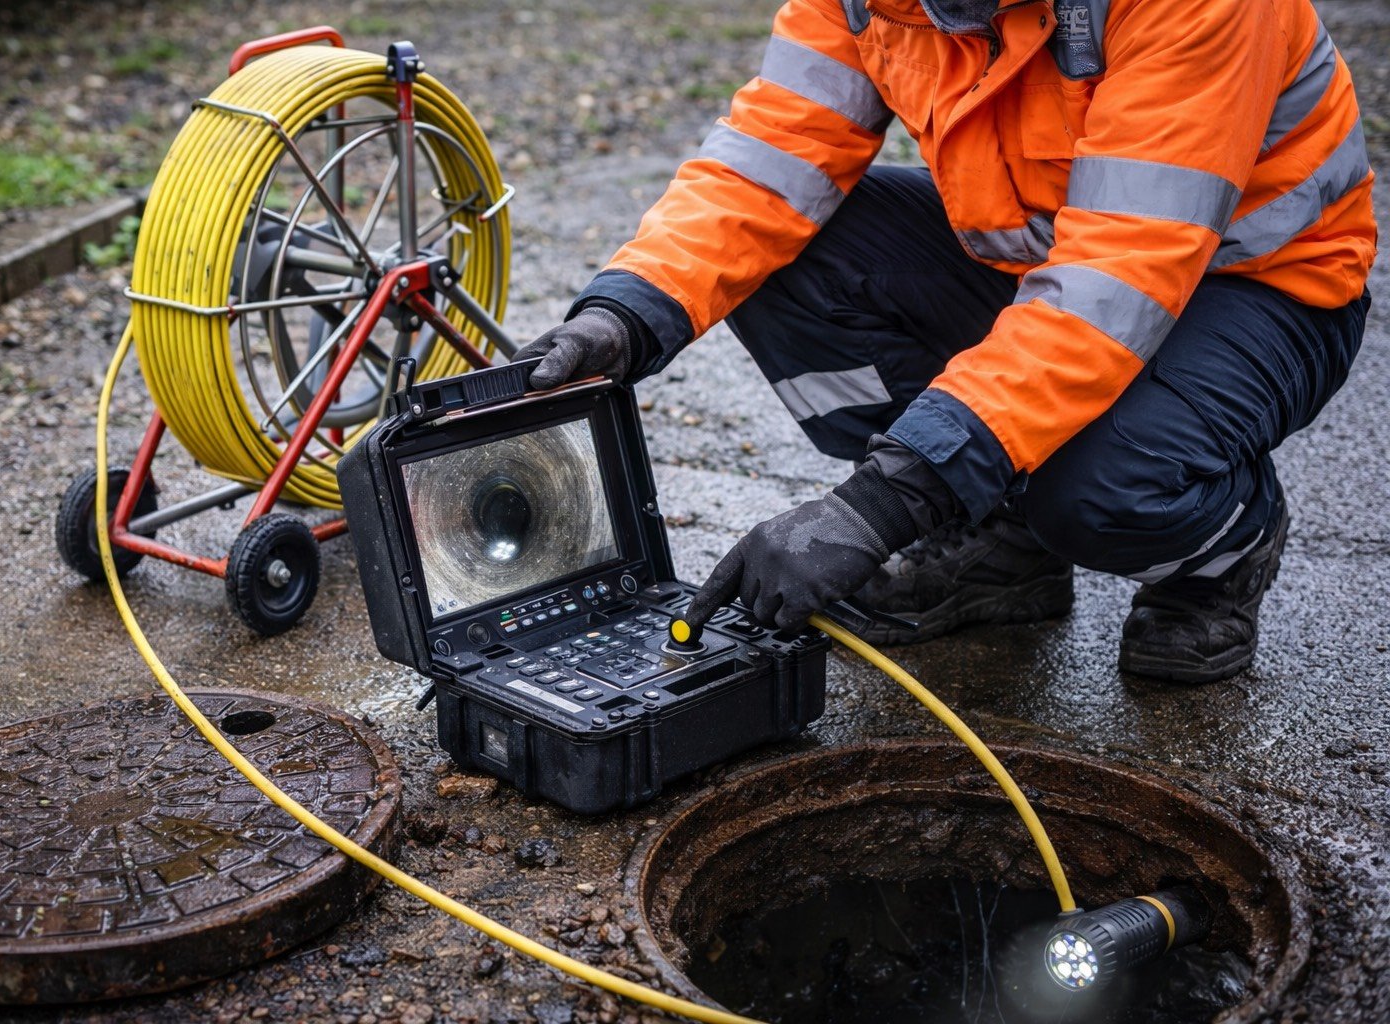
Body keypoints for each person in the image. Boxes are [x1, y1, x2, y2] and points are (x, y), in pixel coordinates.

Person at [514, 0, 1376, 683]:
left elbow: (1118, 277)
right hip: (1048, 267)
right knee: (782, 257)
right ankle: (999, 539)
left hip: (1258, 286)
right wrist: (626, 314)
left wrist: (884, 503)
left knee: (1096, 489)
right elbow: (767, 163)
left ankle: (1224, 549)